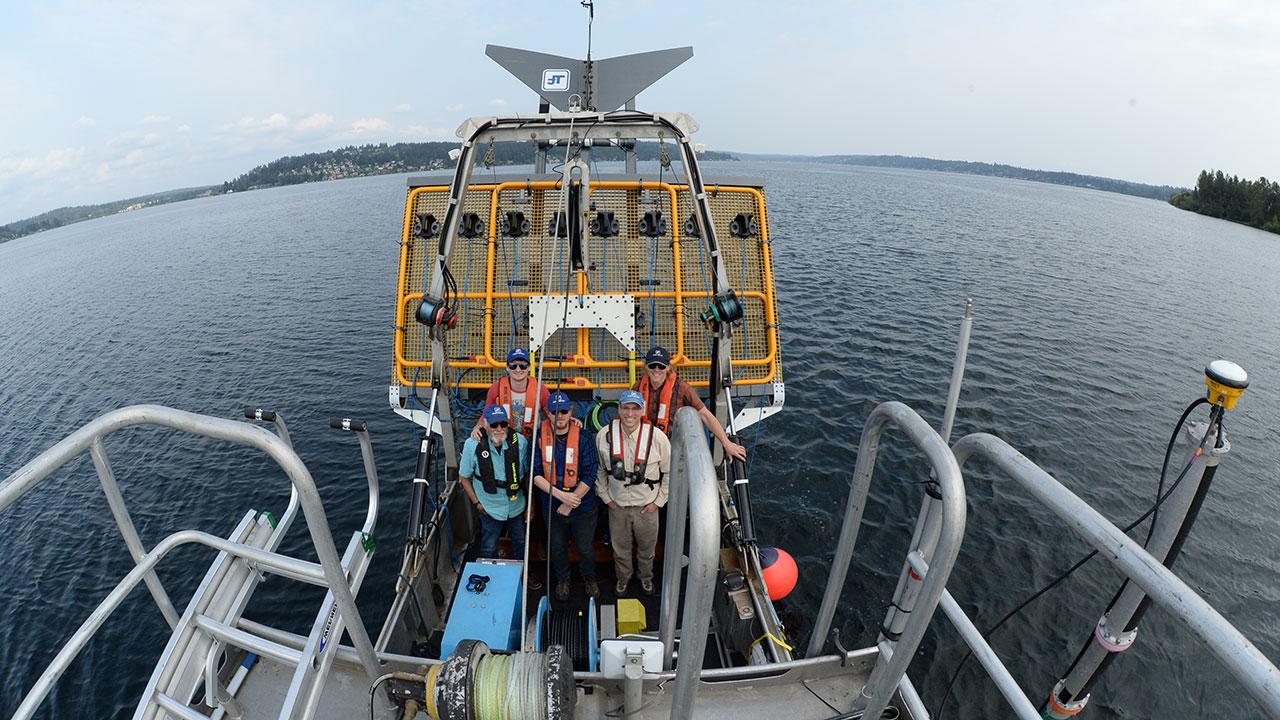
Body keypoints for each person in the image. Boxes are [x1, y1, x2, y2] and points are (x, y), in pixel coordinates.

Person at [596, 390, 671, 596]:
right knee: (620, 550)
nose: (630, 413)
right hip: (617, 507)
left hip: (647, 508)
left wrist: (658, 502)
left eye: (635, 408)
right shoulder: (604, 436)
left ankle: (646, 578)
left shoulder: (657, 438)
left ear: (642, 410)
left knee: (647, 550)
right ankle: (623, 579)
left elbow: (670, 472)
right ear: (619, 409)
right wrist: (607, 499)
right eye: (626, 408)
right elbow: (600, 471)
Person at [533, 392, 600, 600]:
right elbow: (535, 474)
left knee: (584, 547)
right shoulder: (538, 437)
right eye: (554, 412)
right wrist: (562, 497)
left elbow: (591, 473)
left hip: (583, 506)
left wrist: (571, 502)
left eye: (564, 411)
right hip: (553, 505)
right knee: (557, 547)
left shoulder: (585, 437)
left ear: (571, 412)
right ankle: (563, 579)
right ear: (547, 414)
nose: (560, 416)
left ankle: (589, 577)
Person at [634, 346, 747, 462]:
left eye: (661, 366)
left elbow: (705, 415)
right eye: (652, 365)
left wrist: (727, 443)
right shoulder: (638, 388)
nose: (656, 370)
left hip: (672, 445)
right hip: (646, 444)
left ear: (668, 367)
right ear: (646, 367)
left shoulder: (682, 389)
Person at [460, 404, 531, 563]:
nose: (499, 429)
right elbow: (463, 478)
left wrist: (530, 505)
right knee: (489, 545)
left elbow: (527, 475)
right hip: (488, 507)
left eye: (503, 424)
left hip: (516, 505)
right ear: (485, 424)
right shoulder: (472, 445)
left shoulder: (520, 442)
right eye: (493, 425)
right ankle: (490, 575)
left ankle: (522, 572)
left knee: (520, 541)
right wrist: (477, 503)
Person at [472, 347, 550, 441]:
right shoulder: (496, 388)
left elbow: (552, 414)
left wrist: (569, 421)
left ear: (529, 367)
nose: (518, 369)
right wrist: (478, 426)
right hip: (505, 438)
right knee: (473, 440)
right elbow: (487, 414)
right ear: (507, 367)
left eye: (523, 365)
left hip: (531, 441)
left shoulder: (540, 389)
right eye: (513, 365)